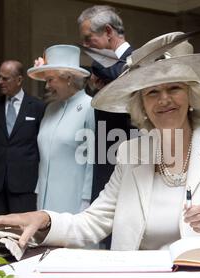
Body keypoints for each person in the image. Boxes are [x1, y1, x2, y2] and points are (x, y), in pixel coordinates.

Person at [0, 32, 200, 252]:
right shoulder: (131, 152)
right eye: (152, 92)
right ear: (141, 105)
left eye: (174, 88)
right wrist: (43, 219)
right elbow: (93, 221)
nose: (164, 100)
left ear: (192, 95)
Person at [77, 5, 134, 205]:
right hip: (104, 156)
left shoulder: (139, 58)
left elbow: (128, 80)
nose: (85, 45)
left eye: (88, 38)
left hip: (129, 157)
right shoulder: (107, 67)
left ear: (108, 31)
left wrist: (98, 66)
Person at [27, 45, 95, 214]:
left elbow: (93, 161)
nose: (47, 86)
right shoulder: (50, 109)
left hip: (74, 201)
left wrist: (86, 202)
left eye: (51, 80)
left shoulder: (90, 107)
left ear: (69, 78)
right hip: (44, 199)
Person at [0, 60, 45, 217]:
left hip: (25, 182)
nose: (0, 82)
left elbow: (41, 144)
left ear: (19, 80)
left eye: (5, 78)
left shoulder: (37, 107)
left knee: (21, 232)